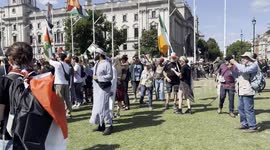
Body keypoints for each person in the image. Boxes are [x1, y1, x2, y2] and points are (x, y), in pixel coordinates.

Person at [0, 42, 34, 149]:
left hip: (9, 134)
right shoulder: (39, 79)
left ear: (10, 60)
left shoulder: (4, 82)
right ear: (31, 59)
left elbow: (0, 114)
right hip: (35, 133)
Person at [230, 52, 258, 132]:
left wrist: (235, 62)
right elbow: (236, 75)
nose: (242, 59)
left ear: (249, 58)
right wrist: (231, 68)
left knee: (248, 109)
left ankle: (252, 126)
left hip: (248, 90)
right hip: (241, 90)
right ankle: (244, 124)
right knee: (240, 108)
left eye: (245, 57)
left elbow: (244, 71)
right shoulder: (243, 66)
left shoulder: (253, 66)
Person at [90, 47, 113, 135]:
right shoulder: (97, 64)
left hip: (104, 88)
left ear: (100, 54)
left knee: (104, 107)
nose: (94, 55)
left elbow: (110, 76)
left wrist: (98, 78)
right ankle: (101, 124)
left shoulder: (106, 63)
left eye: (95, 53)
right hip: (97, 89)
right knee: (98, 107)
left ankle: (108, 125)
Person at [44, 53, 72, 117]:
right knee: (67, 98)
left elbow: (49, 60)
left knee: (60, 99)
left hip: (59, 83)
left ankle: (62, 112)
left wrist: (44, 55)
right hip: (66, 83)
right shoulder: (67, 65)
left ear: (60, 58)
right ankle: (68, 111)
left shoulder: (58, 64)